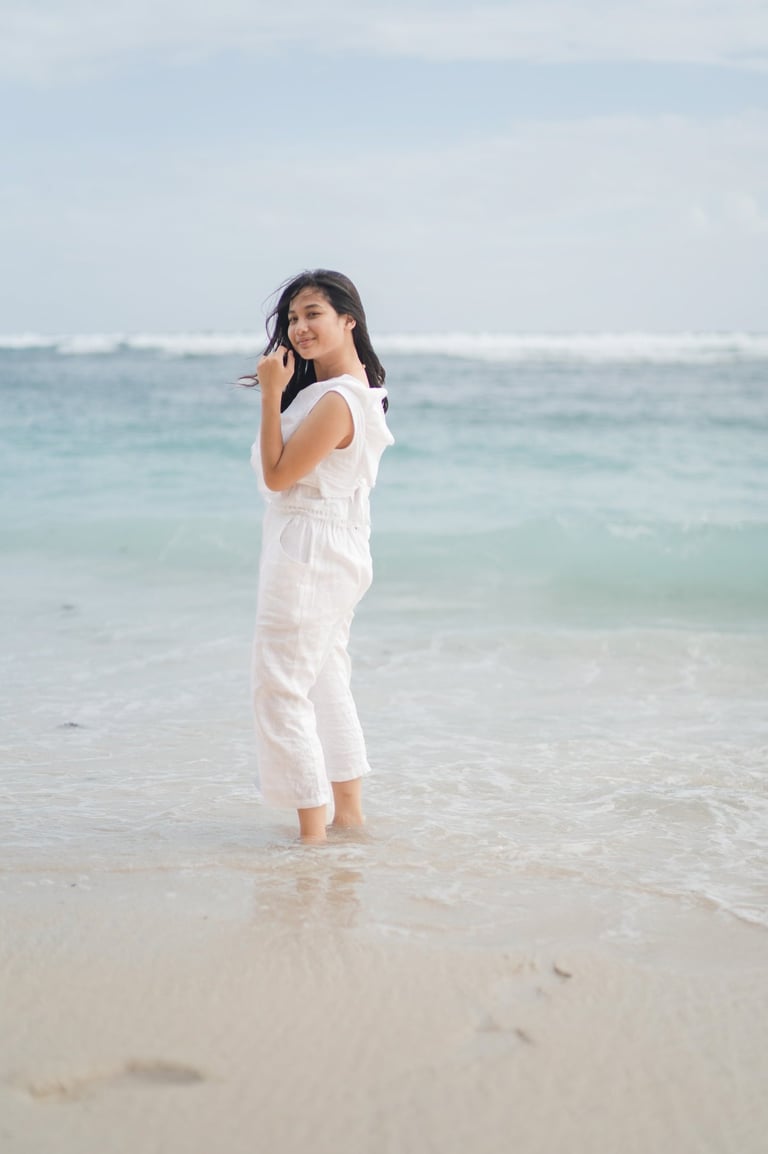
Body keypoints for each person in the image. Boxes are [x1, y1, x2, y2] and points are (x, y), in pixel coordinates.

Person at [244, 270, 394, 844]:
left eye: (313, 314)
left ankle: (311, 835)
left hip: (309, 544)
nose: (299, 328)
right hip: (338, 544)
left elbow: (281, 476)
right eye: (292, 319)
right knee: (326, 676)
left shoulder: (337, 400)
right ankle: (347, 814)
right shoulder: (361, 390)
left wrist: (270, 394)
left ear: (348, 319)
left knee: (280, 684)